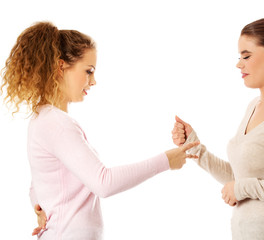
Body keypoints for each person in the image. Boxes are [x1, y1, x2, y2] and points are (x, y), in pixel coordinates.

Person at [0, 22, 199, 239]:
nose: (93, 81)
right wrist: (167, 161)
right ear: (60, 67)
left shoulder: (43, 119)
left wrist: (39, 207)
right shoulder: (57, 124)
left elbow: (37, 184)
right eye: (89, 71)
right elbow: (103, 183)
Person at [172, 18, 264, 239]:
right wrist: (195, 148)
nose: (239, 64)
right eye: (239, 57)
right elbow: (239, 177)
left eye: (246, 56)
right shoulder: (254, 106)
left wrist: (245, 188)